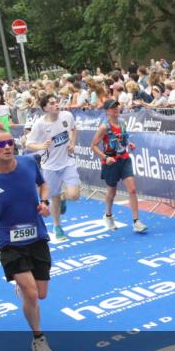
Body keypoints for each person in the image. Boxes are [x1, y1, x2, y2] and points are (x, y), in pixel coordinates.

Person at [0, 129, 54, 351]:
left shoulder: (29, 163)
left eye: (10, 142)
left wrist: (44, 202)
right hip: (8, 241)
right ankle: (39, 338)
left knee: (41, 294)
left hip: (37, 236)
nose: (7, 147)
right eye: (0, 144)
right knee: (32, 294)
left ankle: (22, 287)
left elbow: (43, 184)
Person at [26, 95, 81, 242]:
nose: (56, 105)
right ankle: (57, 226)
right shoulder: (40, 124)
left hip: (68, 162)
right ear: (45, 108)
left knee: (74, 195)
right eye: (52, 103)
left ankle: (64, 197)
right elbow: (28, 143)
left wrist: (72, 143)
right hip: (50, 166)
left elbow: (73, 129)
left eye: (56, 102)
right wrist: (41, 146)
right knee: (54, 197)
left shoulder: (67, 115)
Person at [91, 99, 147, 233]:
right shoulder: (104, 128)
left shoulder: (122, 122)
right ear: (107, 111)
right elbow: (93, 146)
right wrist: (106, 157)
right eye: (113, 107)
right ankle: (108, 215)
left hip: (124, 159)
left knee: (132, 189)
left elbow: (124, 138)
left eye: (117, 106)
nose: (116, 109)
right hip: (111, 163)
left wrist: (129, 144)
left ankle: (136, 221)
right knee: (112, 192)